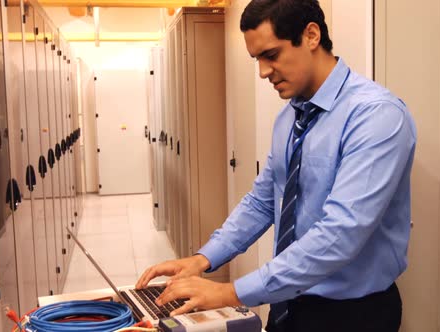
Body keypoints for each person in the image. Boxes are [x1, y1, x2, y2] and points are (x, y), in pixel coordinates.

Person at [136, 0, 416, 331]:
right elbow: (262, 201)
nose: (263, 72)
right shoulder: (289, 119)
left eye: (272, 55)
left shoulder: (375, 116)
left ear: (311, 35)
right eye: (257, 60)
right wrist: (202, 260)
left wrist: (232, 292)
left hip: (352, 314)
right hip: (289, 301)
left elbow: (341, 233)